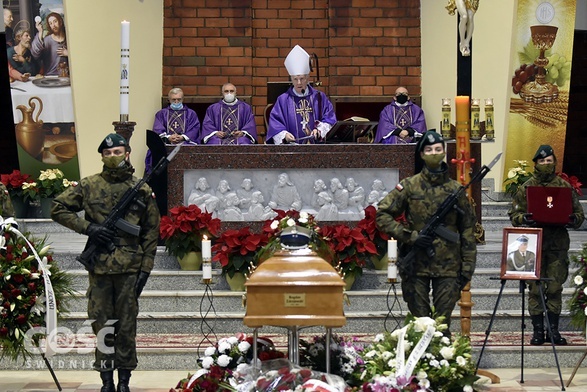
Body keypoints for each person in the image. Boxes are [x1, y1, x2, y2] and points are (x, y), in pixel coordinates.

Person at [51, 133, 160, 392]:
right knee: (101, 324)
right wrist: (89, 228)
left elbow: (151, 232)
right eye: (108, 153)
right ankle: (106, 381)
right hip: (99, 266)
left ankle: (124, 381)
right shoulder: (88, 185)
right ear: (102, 155)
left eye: (118, 152)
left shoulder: (141, 189)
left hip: (130, 268)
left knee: (126, 324)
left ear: (127, 153)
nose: (113, 157)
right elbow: (57, 208)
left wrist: (146, 268)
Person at [376, 130, 477, 333]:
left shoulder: (456, 191)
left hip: (448, 267)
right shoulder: (409, 186)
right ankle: (420, 362)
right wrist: (410, 237)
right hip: (415, 266)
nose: (434, 153)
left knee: (441, 325)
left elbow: (468, 231)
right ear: (421, 154)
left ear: (445, 153)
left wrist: (467, 269)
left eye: (438, 149)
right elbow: (382, 215)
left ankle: (443, 362)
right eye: (429, 150)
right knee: (420, 325)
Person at [508, 144, 585, 346]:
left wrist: (571, 219)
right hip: (533, 244)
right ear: (536, 164)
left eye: (549, 161)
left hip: (557, 246)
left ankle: (553, 330)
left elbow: (579, 216)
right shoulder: (526, 188)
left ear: (554, 163)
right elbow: (513, 214)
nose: (545, 164)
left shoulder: (564, 187)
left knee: (554, 287)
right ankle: (538, 331)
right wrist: (523, 218)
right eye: (542, 161)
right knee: (534, 288)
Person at [267, 45, 336, 144]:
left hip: (317, 149)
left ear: (308, 79)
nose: (299, 83)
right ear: (291, 79)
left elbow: (330, 119)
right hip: (292, 149)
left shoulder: (319, 97)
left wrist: (319, 130)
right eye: (295, 79)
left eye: (302, 79)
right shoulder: (283, 100)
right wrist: (285, 135)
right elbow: (276, 124)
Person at [145, 87, 200, 173]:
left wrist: (182, 137)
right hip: (166, 143)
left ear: (183, 99)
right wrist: (169, 137)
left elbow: (195, 129)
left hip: (184, 143)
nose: (176, 102)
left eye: (179, 99)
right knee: (155, 152)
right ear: (169, 100)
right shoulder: (161, 114)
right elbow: (158, 129)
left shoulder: (191, 113)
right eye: (174, 99)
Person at [31, 12, 68, 76]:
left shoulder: (68, 39)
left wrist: (68, 54)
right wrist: (40, 32)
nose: (53, 25)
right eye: (50, 23)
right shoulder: (47, 40)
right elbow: (35, 54)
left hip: (67, 76)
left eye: (55, 21)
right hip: (51, 76)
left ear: (60, 22)